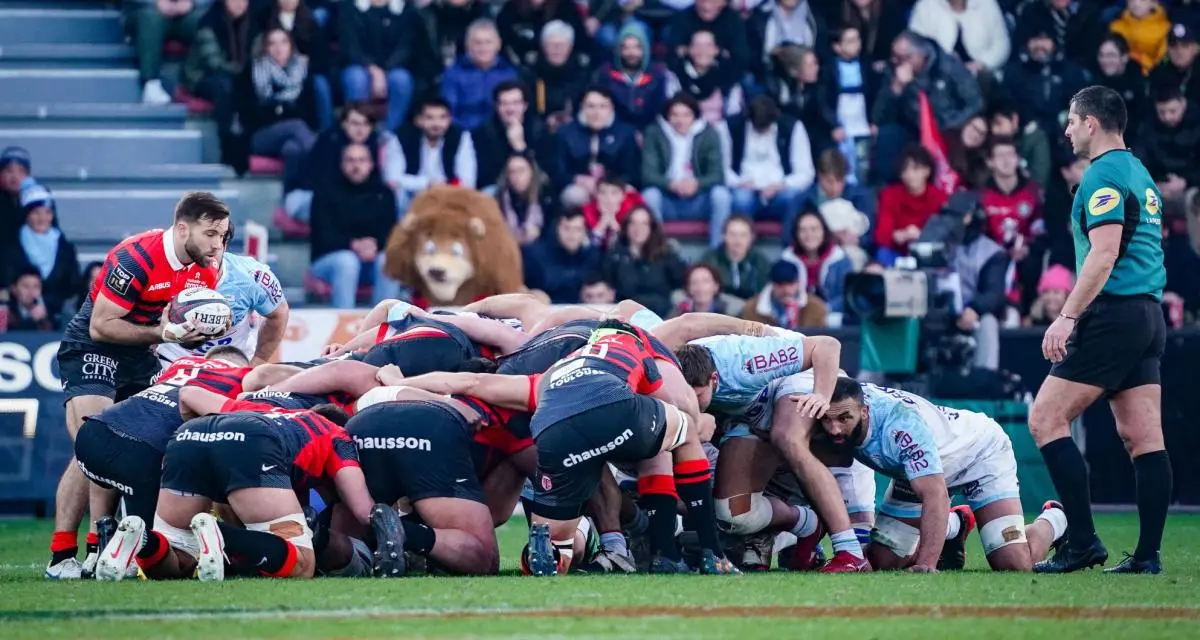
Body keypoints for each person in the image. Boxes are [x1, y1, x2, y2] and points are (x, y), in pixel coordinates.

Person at [47, 192, 230, 580]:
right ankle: (61, 556)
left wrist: (194, 334)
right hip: (92, 346)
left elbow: (173, 325)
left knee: (138, 444)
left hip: (142, 353)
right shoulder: (136, 256)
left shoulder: (206, 271)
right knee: (93, 443)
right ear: (183, 228)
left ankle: (104, 545)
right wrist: (163, 332)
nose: (218, 244)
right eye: (211, 233)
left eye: (223, 235)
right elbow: (102, 324)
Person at [1029, 85, 1170, 574]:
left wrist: (1067, 316)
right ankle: (1148, 556)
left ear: (1091, 123)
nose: (1066, 130)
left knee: (1045, 418)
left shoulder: (1103, 175)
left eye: (1071, 121)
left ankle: (1083, 542)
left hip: (1114, 314)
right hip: (1148, 316)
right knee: (1142, 436)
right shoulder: (1140, 173)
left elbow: (1105, 253)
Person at [796, 376, 1068, 572]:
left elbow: (935, 493)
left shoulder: (900, 427)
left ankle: (1056, 518)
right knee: (884, 562)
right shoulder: (839, 400)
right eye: (827, 420)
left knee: (1013, 563)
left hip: (980, 455)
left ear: (864, 411)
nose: (834, 429)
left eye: (843, 419)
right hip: (913, 471)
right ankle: (955, 525)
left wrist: (926, 564)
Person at [75, 348, 250, 539]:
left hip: (90, 437)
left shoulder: (181, 363)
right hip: (140, 455)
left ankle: (98, 546)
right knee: (165, 548)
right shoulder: (242, 378)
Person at [156, 251, 289, 367]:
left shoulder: (251, 275)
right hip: (170, 361)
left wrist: (258, 361)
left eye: (215, 237)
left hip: (235, 363)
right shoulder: (157, 268)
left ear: (223, 243)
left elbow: (279, 313)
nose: (208, 247)